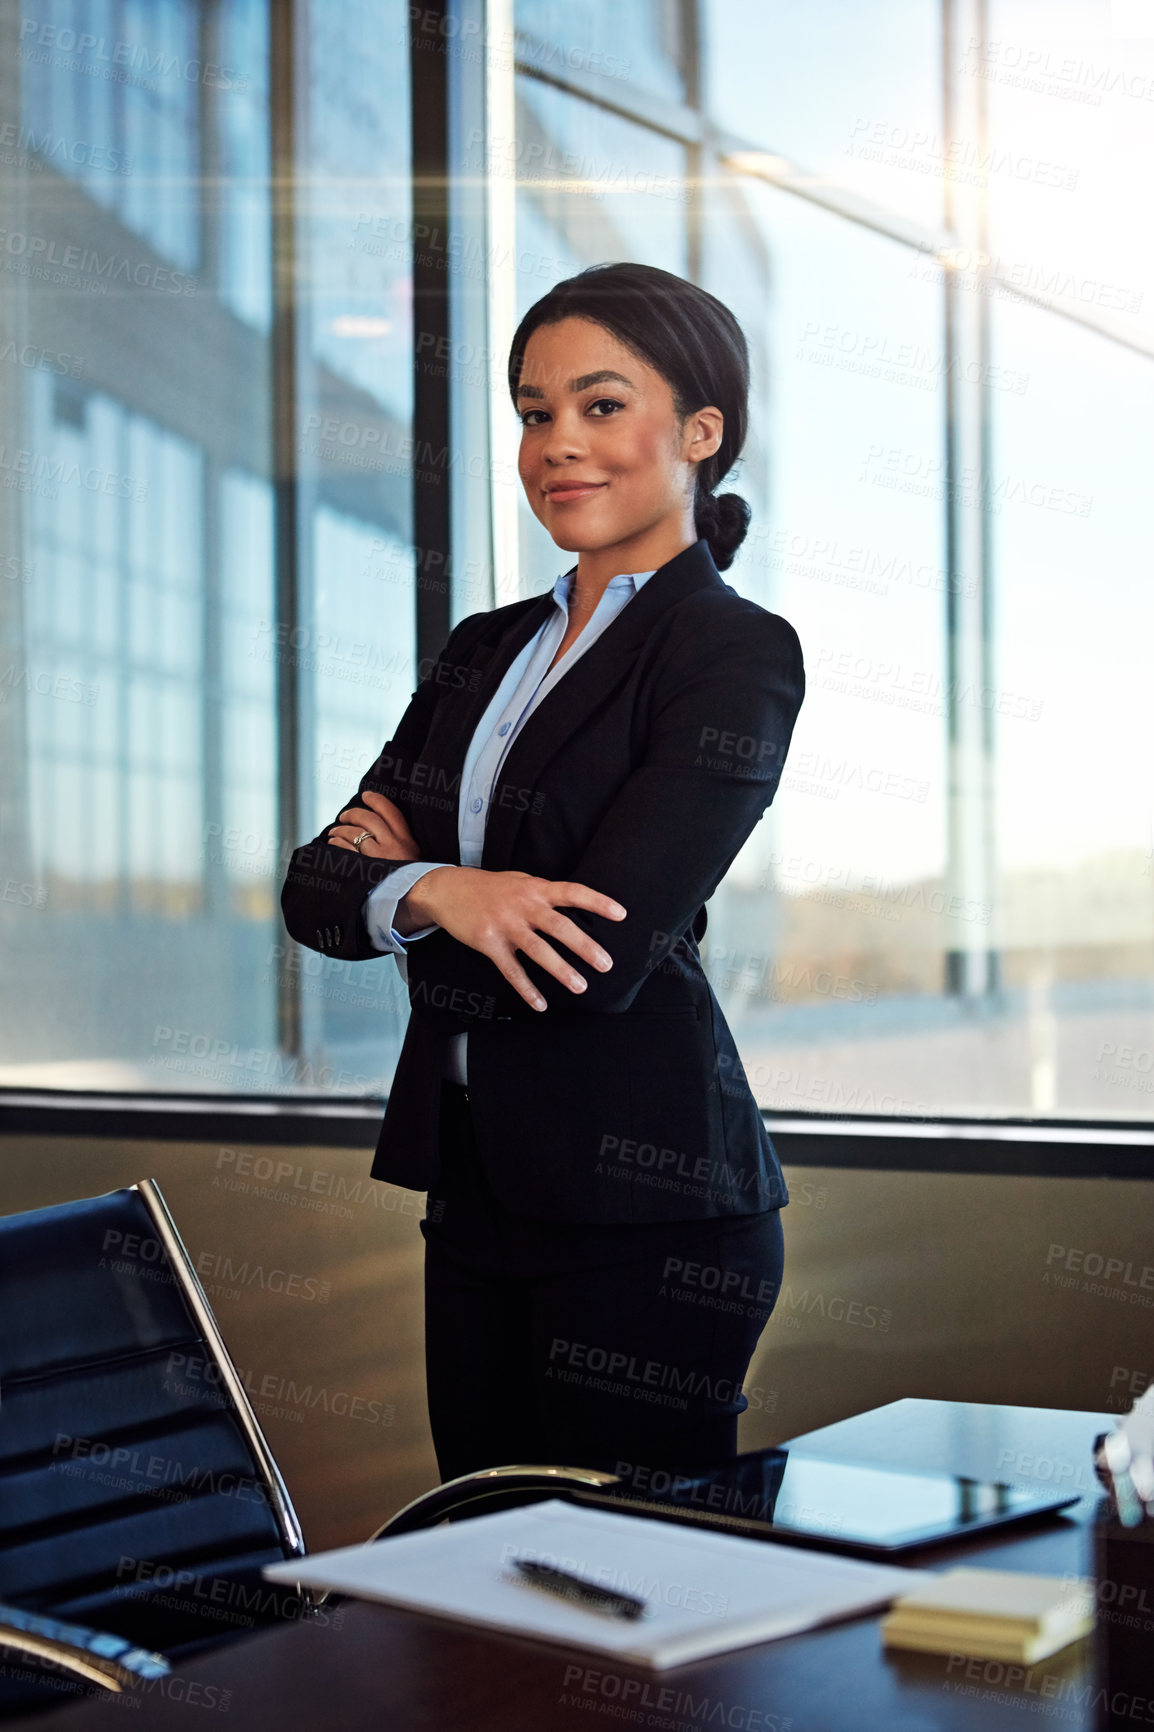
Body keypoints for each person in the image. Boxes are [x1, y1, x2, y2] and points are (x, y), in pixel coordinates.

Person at [281, 261, 805, 1484]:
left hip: (651, 1211)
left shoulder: (729, 651)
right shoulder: (481, 650)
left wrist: (400, 878)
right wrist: (443, 891)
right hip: (472, 1188)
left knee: (620, 1608)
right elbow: (313, 889)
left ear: (699, 431)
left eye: (599, 405)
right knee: (479, 1570)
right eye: (531, 413)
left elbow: (596, 955)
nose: (556, 445)